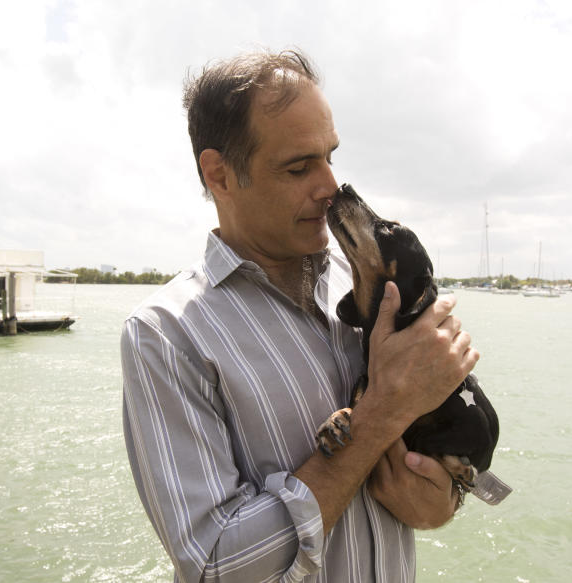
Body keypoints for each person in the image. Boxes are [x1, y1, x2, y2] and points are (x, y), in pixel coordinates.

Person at [121, 48, 479, 583]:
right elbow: (216, 567)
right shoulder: (166, 335)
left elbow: (449, 470)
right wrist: (379, 415)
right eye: (298, 166)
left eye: (330, 156)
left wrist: (444, 499)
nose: (331, 186)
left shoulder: (375, 284)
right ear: (218, 174)